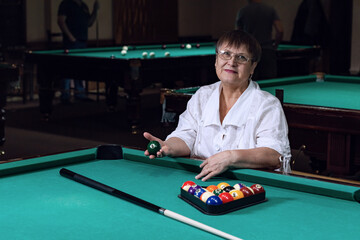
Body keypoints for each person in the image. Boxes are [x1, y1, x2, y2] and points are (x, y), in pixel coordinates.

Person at [144, 30, 291, 181]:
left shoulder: (267, 104)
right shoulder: (203, 95)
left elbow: (274, 154)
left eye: (241, 57)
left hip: (247, 187)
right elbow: (186, 135)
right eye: (226, 54)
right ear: (216, 60)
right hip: (200, 181)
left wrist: (230, 157)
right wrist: (168, 146)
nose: (232, 62)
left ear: (253, 67)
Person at [57, 0, 99, 104]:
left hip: (82, 41)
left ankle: (79, 93)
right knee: (68, 67)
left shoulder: (84, 6)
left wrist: (95, 10)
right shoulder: (66, 4)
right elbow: (61, 21)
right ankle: (65, 95)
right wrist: (71, 37)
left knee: (80, 68)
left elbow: (89, 23)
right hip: (71, 42)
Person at [235, 0, 283, 80]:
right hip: (267, 51)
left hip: (249, 52)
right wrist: (275, 45)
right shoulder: (270, 9)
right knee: (270, 81)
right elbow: (280, 30)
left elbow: (237, 34)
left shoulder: (243, 11)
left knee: (249, 83)